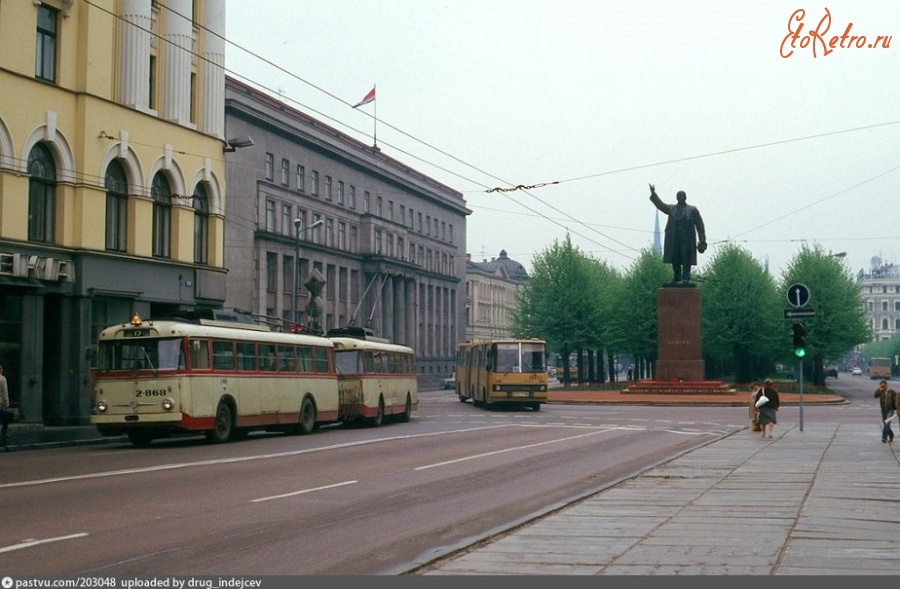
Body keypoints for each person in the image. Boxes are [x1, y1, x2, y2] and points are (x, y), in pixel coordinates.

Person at [649, 184, 707, 286]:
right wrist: (653, 194)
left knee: (686, 258)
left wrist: (702, 240)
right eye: (679, 196)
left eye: (683, 196)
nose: (681, 198)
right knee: (675, 258)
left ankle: (686, 278)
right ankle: (676, 277)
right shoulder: (671, 209)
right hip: (674, 239)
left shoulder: (692, 210)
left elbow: (700, 225)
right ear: (677, 198)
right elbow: (661, 205)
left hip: (687, 240)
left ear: (686, 198)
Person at [873, 379, 896, 444]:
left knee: (887, 423)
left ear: (886, 385)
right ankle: (891, 435)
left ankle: (884, 438)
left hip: (890, 410)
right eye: (881, 386)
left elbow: (895, 401)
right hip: (883, 410)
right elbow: (875, 396)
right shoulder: (881, 392)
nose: (882, 387)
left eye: (883, 386)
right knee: (885, 424)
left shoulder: (892, 392)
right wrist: (879, 389)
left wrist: (897, 409)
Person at [0, 364, 10, 447]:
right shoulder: (2, 379)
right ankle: (3, 433)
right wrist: (7, 403)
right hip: (0, 403)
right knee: (4, 419)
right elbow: (4, 392)